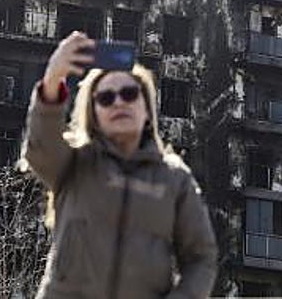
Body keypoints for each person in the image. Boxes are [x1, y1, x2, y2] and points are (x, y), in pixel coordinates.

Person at [21, 31, 218, 299]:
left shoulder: (175, 179)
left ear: (146, 108)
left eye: (128, 93)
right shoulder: (74, 163)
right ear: (94, 113)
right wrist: (54, 78)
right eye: (106, 98)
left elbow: (201, 258)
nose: (118, 103)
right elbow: (40, 148)